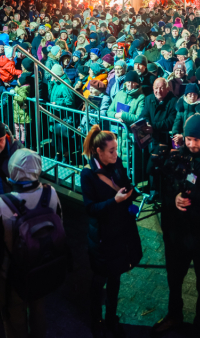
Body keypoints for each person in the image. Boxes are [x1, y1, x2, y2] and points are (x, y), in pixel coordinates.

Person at [152, 114, 200, 338]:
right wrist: (174, 199)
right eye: (188, 139)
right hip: (178, 234)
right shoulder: (179, 157)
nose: (192, 144)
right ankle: (174, 315)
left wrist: (198, 212)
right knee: (174, 277)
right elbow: (166, 189)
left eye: (196, 139)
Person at [0, 149, 62, 338]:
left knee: (14, 317)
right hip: (40, 267)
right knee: (38, 309)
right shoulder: (50, 193)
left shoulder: (3, 203)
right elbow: (60, 226)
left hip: (13, 274)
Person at [80, 126, 141, 338]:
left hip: (120, 232)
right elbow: (90, 208)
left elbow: (126, 185)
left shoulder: (117, 163)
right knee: (99, 280)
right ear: (99, 151)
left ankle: (111, 317)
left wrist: (131, 192)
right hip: (102, 237)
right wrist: (114, 201)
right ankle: (96, 319)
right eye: (112, 150)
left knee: (115, 277)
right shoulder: (87, 174)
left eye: (116, 149)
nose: (116, 154)